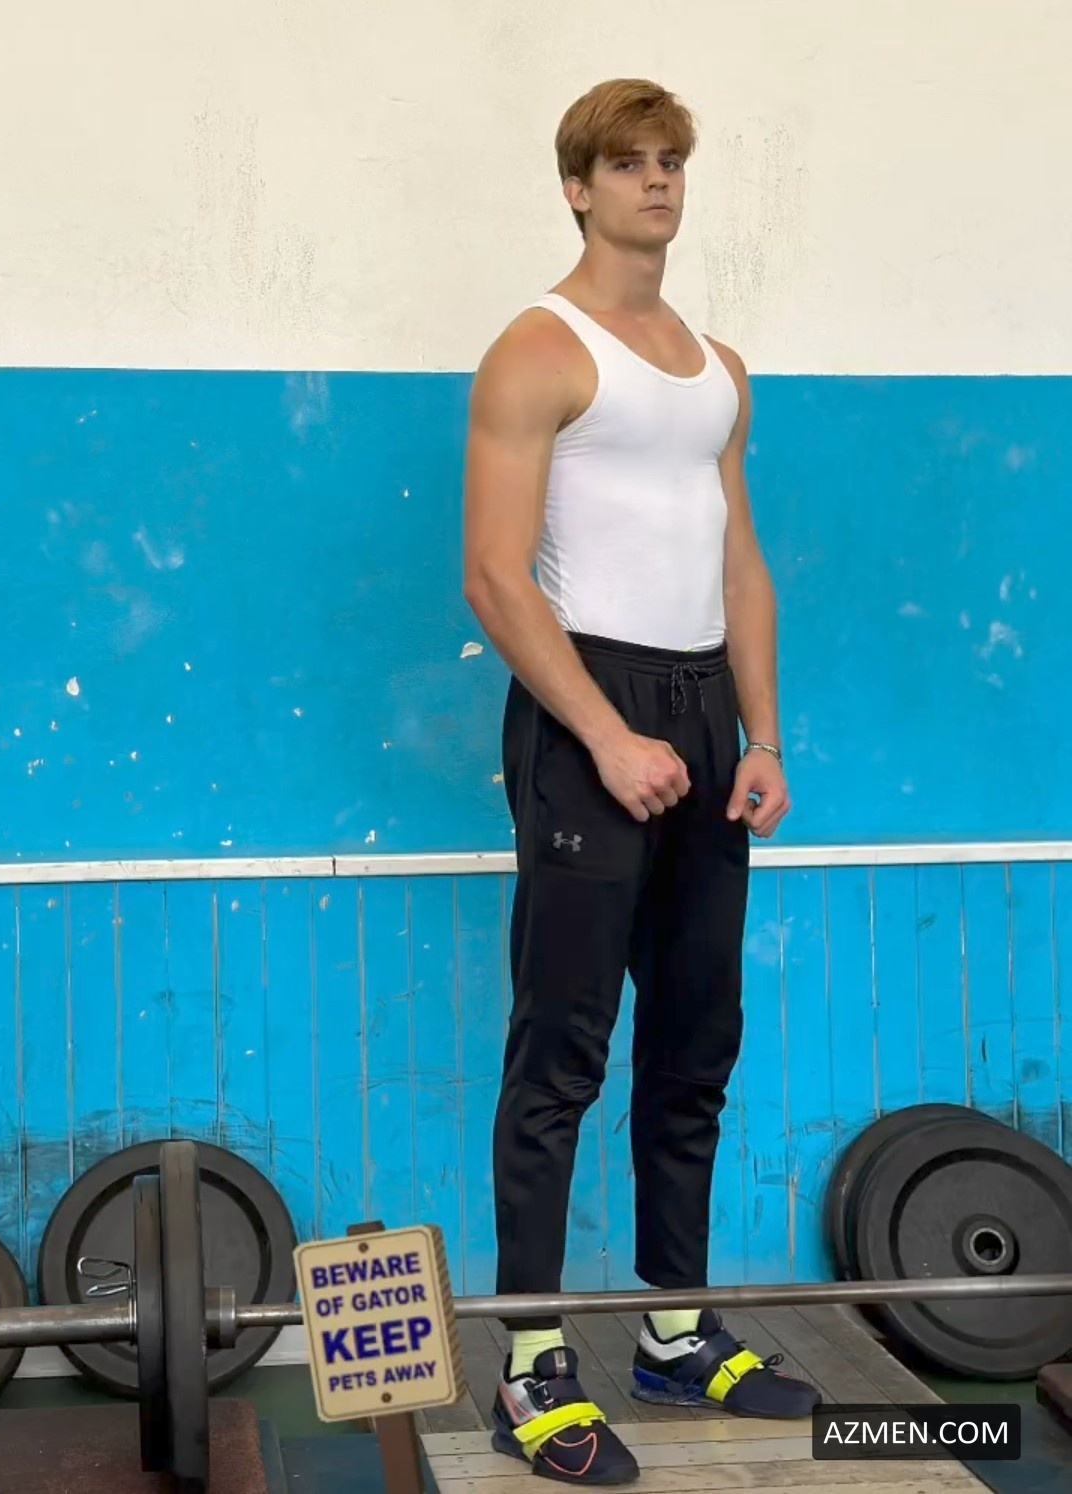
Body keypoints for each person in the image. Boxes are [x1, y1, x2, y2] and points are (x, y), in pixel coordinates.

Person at [462, 78, 819, 1486]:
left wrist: (762, 737)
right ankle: (531, 1369)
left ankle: (676, 1330)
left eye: (672, 160)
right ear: (578, 187)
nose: (658, 182)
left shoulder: (718, 367)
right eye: (628, 163)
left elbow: (740, 561)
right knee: (561, 1052)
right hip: (586, 714)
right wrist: (608, 736)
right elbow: (496, 576)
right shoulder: (536, 350)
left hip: (707, 717)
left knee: (694, 1043)